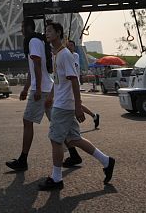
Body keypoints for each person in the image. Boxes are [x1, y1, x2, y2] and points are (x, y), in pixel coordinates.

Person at [38, 22, 115, 191]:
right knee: (74, 139)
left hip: (64, 105)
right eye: (46, 31)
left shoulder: (65, 54)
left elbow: (74, 80)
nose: (47, 33)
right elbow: (59, 81)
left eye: (50, 31)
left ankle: (57, 179)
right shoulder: (56, 54)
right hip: (61, 102)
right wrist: (50, 96)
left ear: (58, 33)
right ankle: (106, 161)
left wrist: (78, 106)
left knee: (55, 139)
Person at [5, 19, 54, 172]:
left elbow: (37, 65)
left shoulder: (32, 40)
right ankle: (73, 153)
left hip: (42, 89)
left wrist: (37, 89)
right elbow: (32, 69)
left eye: (21, 27)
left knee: (27, 121)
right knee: (57, 123)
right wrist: (26, 88)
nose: (20, 31)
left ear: (27, 28)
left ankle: (23, 160)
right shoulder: (38, 40)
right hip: (46, 86)